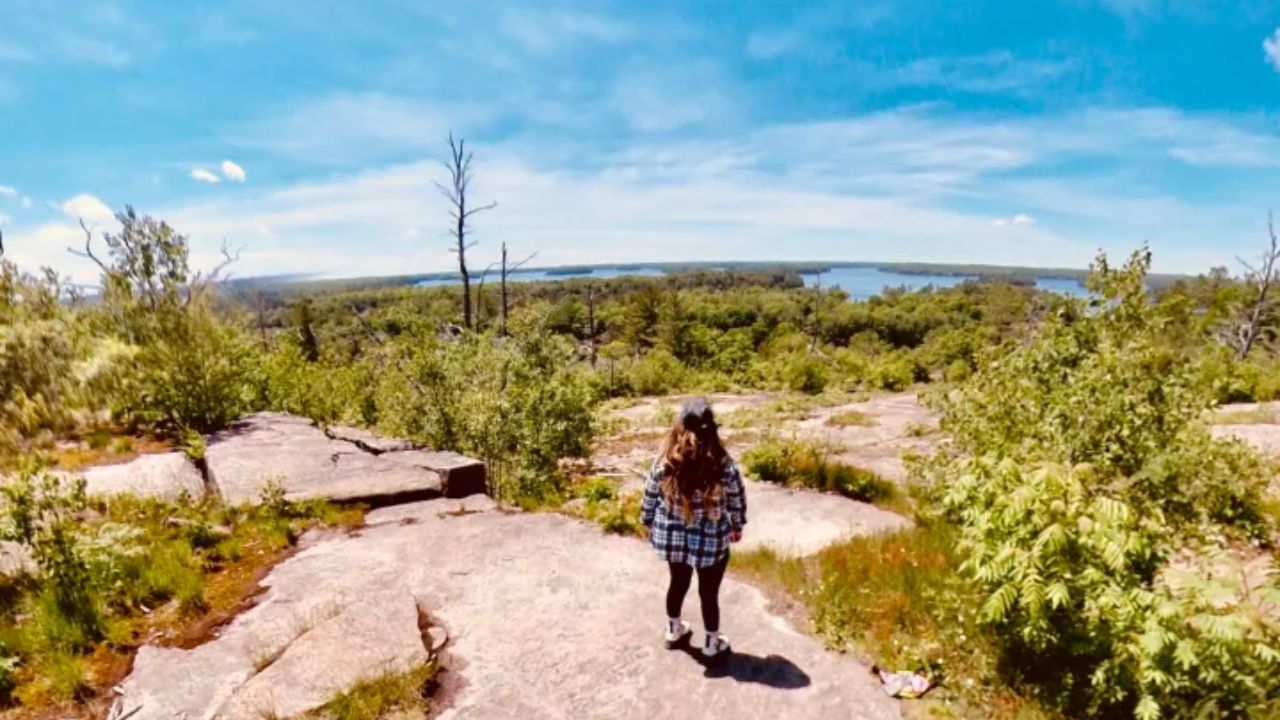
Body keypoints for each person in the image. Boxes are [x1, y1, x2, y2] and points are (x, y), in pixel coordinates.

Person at [640, 398, 747, 659]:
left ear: (679, 428)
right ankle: (712, 644)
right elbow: (736, 498)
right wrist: (737, 524)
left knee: (678, 582)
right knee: (708, 592)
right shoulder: (723, 465)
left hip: (673, 538)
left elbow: (650, 494)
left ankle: (673, 631)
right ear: (712, 429)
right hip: (710, 541)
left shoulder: (666, 461)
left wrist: (648, 520)